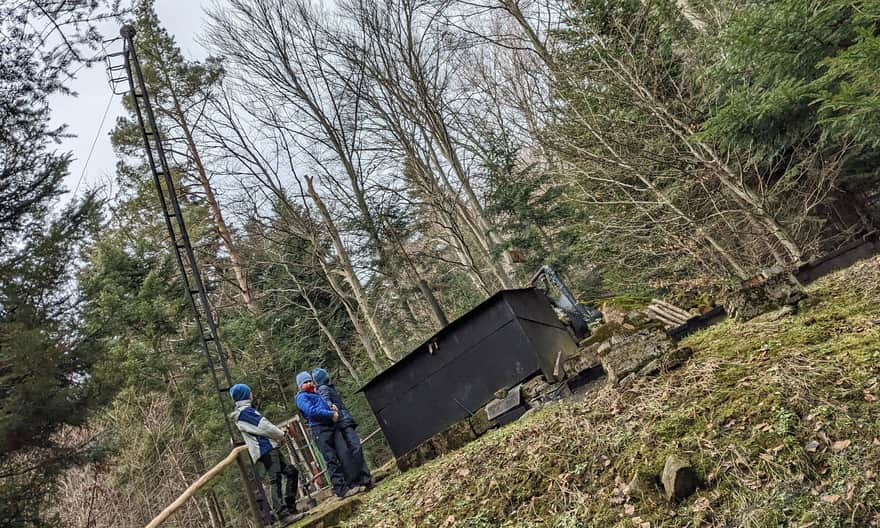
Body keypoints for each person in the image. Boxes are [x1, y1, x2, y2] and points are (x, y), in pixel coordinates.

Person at [229, 383, 303, 524]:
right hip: (265, 449)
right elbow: (264, 426)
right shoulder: (245, 413)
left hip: (269, 448)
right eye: (249, 391)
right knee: (275, 480)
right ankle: (282, 514)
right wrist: (281, 434)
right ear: (245, 394)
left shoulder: (247, 411)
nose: (251, 394)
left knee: (291, 471)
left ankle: (290, 506)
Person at [294, 372, 360, 499]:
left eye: (310, 381)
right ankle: (340, 489)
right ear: (300, 385)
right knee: (331, 459)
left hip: (331, 426)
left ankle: (352, 483)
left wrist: (332, 408)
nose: (308, 383)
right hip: (319, 430)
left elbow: (324, 405)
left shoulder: (316, 393)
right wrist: (330, 414)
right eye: (305, 382)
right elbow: (311, 411)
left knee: (344, 454)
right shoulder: (301, 397)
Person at [311, 368, 372, 490]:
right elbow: (327, 401)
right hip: (342, 422)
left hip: (343, 422)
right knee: (354, 448)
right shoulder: (323, 388)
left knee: (352, 450)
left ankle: (363, 479)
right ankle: (363, 478)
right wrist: (333, 411)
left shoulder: (326, 387)